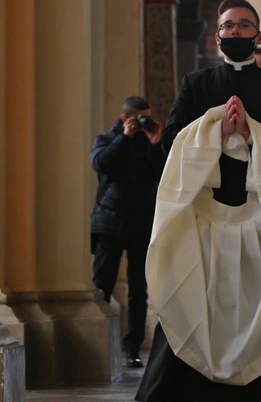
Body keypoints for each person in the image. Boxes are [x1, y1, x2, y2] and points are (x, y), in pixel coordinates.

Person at [135, 0, 261, 402]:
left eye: (244, 25)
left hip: (258, 223)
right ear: (217, 35)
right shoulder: (197, 84)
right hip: (204, 220)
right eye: (228, 26)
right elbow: (170, 141)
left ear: (259, 35)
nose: (235, 31)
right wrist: (212, 132)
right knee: (190, 309)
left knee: (252, 315)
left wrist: (255, 136)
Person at [90, 96, 165, 368]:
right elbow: (101, 164)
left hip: (141, 222)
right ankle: (101, 346)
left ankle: (133, 346)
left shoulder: (150, 143)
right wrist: (124, 137)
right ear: (125, 118)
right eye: (139, 117)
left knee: (138, 290)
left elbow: (165, 174)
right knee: (102, 286)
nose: (144, 122)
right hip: (109, 221)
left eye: (148, 117)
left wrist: (156, 142)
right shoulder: (107, 139)